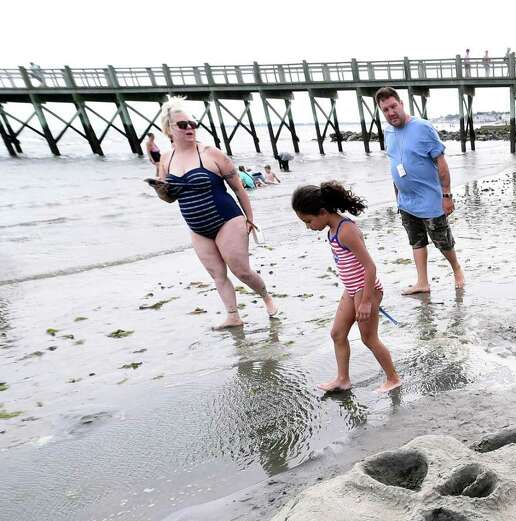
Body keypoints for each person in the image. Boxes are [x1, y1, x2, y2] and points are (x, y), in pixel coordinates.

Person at [153, 97, 277, 329]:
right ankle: (233, 316)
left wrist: (250, 218)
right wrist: (159, 190)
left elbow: (238, 188)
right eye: (183, 125)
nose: (190, 128)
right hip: (197, 227)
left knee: (241, 270)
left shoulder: (211, 153)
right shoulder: (166, 159)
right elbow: (169, 198)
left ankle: (266, 297)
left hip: (227, 219)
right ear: (169, 129)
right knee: (217, 274)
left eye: (192, 123)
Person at [291, 182, 401, 394]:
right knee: (337, 333)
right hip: (351, 289)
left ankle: (393, 378)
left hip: (365, 289)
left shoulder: (346, 230)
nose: (308, 226)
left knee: (369, 338)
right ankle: (343, 379)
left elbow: (370, 267)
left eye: (308, 221)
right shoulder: (332, 228)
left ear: (322, 212)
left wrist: (367, 301)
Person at [376, 87, 466, 295]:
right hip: (405, 200)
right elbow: (394, 163)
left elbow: (440, 162)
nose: (391, 113)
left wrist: (446, 195)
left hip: (430, 199)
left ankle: (457, 269)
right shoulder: (388, 131)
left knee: (442, 240)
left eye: (393, 106)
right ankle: (422, 282)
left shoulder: (423, 127)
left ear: (401, 104)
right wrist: (397, 194)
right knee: (416, 241)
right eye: (385, 110)